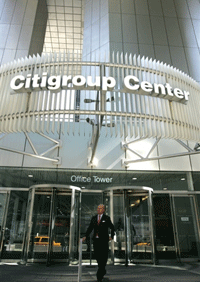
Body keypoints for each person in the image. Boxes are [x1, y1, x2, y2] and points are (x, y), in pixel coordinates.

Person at [83, 204, 115, 282]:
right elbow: (90, 228)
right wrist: (85, 236)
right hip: (96, 241)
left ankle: (99, 274)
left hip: (104, 241)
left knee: (103, 257)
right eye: (97, 208)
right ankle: (102, 270)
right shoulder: (94, 218)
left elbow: (112, 227)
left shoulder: (106, 218)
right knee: (97, 257)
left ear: (103, 210)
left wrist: (112, 236)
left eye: (100, 208)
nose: (98, 209)